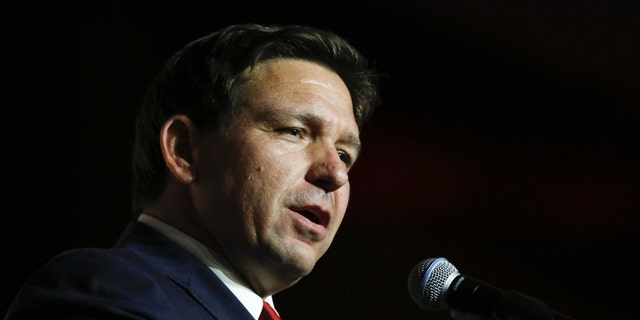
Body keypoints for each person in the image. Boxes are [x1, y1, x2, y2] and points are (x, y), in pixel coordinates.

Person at [4, 23, 380, 319]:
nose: (335, 173)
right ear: (184, 151)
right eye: (294, 131)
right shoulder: (105, 292)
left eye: (346, 155)